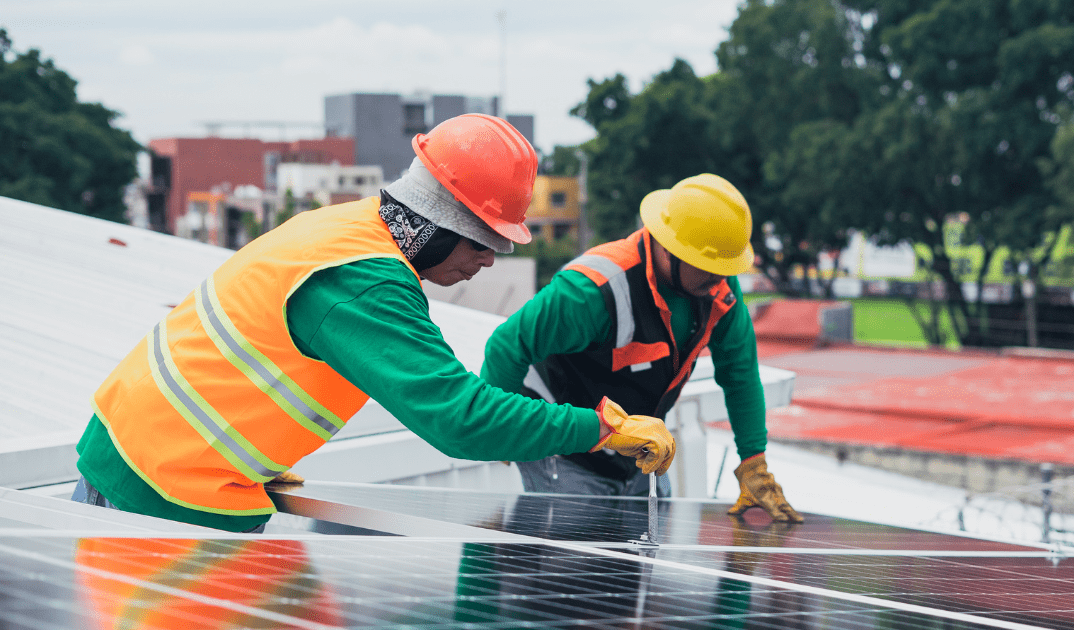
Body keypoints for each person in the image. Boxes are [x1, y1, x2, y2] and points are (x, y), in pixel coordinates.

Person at [71, 114, 675, 532]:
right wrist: (600, 428)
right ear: (443, 220)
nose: (490, 259)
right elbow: (459, 420)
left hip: (157, 459)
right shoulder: (365, 281)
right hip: (160, 486)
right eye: (487, 240)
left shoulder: (348, 228)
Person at [481, 173, 801, 522]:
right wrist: (502, 433)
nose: (721, 279)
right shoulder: (592, 290)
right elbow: (506, 346)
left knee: (639, 563)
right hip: (566, 451)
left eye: (725, 269)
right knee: (577, 561)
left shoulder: (717, 291)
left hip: (639, 452)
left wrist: (753, 462)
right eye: (710, 267)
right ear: (669, 248)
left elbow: (740, 375)